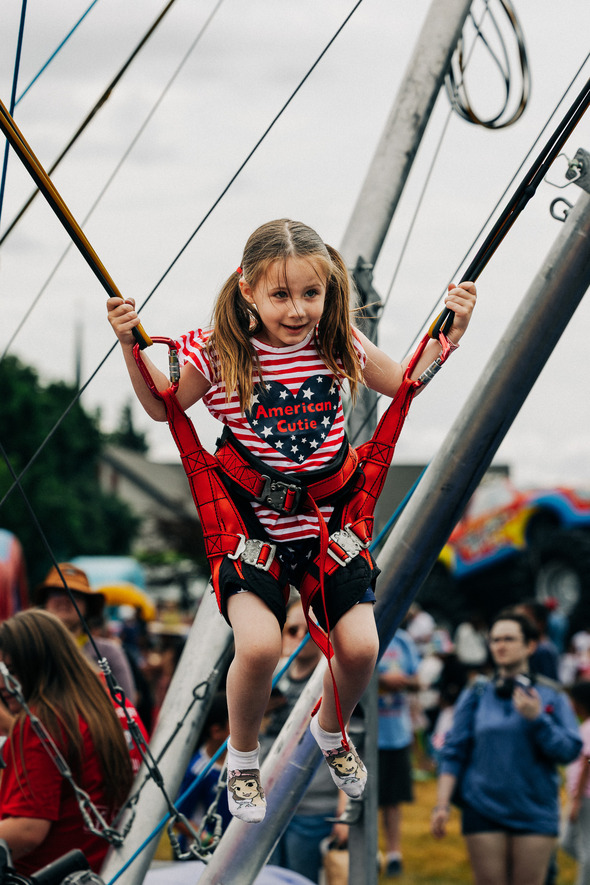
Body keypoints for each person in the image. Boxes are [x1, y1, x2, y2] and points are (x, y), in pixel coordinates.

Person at [107, 218, 477, 823]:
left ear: (328, 292)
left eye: (312, 293)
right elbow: (162, 406)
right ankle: (243, 760)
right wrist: (130, 344)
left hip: (326, 528)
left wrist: (450, 332)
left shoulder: (340, 345)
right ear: (248, 290)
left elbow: (406, 382)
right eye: (281, 295)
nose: (299, 309)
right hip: (251, 531)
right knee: (256, 648)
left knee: (360, 648)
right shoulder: (218, 351)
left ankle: (332, 733)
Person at [431, 611, 582, 885]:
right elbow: (453, 752)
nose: (500, 645)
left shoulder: (551, 695)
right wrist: (442, 805)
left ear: (530, 646)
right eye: (495, 639)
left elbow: (570, 750)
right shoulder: (476, 693)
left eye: (509, 639)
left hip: (535, 811)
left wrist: (538, 720)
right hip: (482, 807)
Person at [0, 609, 134, 877]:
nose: (2, 683)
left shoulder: (44, 720)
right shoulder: (114, 704)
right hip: (104, 870)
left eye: (11, 670)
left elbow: (27, 831)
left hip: (45, 874)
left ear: (38, 664)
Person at [260, 599, 347, 883]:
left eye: (310, 628)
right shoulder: (273, 674)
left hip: (312, 805)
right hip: (267, 804)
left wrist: (345, 808)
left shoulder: (332, 676)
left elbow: (349, 741)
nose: (300, 637)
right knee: (266, 877)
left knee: (299, 878)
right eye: (292, 630)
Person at [32, 562, 137, 704]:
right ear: (45, 602)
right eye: (56, 592)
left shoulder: (109, 653)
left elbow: (126, 706)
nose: (65, 599)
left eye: (75, 594)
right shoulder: (29, 648)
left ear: (87, 607)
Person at [377, 625, 421, 877]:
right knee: (364, 799)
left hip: (398, 734)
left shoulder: (404, 641)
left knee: (393, 800)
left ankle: (394, 854)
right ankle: (369, 852)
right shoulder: (365, 634)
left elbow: (417, 681)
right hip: (369, 735)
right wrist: (381, 680)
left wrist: (402, 682)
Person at [175, 692, 232, 854]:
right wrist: (210, 841)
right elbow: (180, 818)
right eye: (236, 722)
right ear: (216, 732)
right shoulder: (199, 771)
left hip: (229, 852)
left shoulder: (240, 761)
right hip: (199, 856)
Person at [561, 680, 590, 885]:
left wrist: (578, 798)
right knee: (566, 842)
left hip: (586, 796)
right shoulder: (585, 726)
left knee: (586, 848)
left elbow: (588, 761)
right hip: (579, 795)